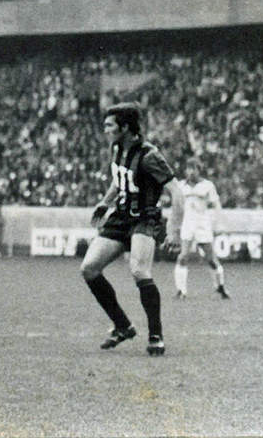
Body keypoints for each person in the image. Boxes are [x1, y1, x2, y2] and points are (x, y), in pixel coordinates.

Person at [80, 103, 173, 356]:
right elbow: (118, 179)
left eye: (110, 125)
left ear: (126, 127)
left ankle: (156, 335)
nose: (106, 129)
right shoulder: (117, 148)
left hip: (144, 218)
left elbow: (178, 192)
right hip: (120, 217)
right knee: (89, 268)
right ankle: (122, 326)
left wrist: (173, 230)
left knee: (139, 270)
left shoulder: (149, 155)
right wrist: (104, 202)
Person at [169, 165, 230, 299]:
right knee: (183, 256)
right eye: (188, 169)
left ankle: (220, 287)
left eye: (193, 169)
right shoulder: (181, 186)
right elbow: (176, 207)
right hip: (187, 224)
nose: (190, 172)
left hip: (203, 224)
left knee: (211, 259)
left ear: (198, 170)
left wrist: (220, 223)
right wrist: (174, 225)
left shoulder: (207, 185)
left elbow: (216, 204)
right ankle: (181, 291)